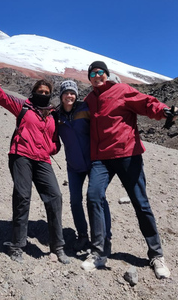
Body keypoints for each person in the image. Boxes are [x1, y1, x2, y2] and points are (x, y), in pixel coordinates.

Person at [0, 56, 69, 264]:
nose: (42, 95)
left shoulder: (53, 115)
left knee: (55, 196)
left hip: (43, 159)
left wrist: (50, 148)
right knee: (23, 196)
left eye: (46, 93)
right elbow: (0, 96)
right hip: (21, 155)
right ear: (33, 92)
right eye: (39, 92)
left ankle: (58, 246)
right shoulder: (23, 106)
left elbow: (56, 143)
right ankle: (17, 244)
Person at [82, 60, 172, 279]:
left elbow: (146, 103)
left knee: (140, 203)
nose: (97, 76)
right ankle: (99, 251)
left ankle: (156, 254)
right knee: (93, 196)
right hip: (101, 159)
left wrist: (164, 111)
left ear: (107, 74)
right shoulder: (89, 100)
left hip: (127, 155)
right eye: (92, 74)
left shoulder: (122, 90)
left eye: (100, 72)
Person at [56, 80, 112, 253]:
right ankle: (82, 235)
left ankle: (105, 237)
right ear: (61, 96)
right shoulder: (56, 115)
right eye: (66, 93)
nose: (69, 96)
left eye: (72, 93)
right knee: (75, 201)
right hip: (73, 165)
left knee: (97, 198)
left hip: (94, 161)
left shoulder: (85, 109)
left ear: (76, 95)